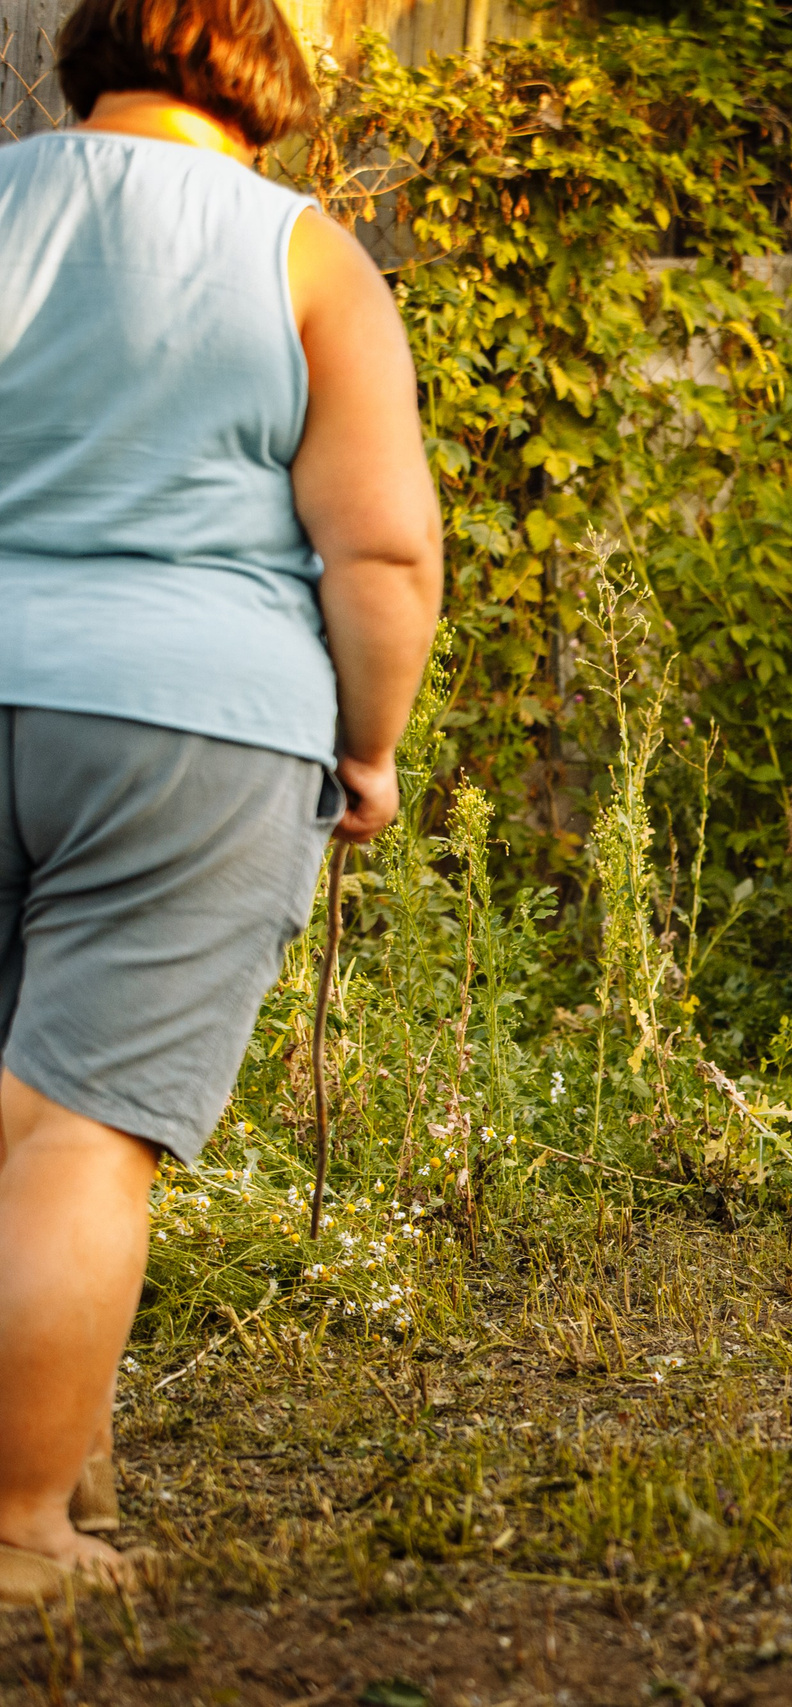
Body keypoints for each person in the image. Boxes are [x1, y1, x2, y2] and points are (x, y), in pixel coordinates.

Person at [0, 0, 441, 1596]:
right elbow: (381, 549)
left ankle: (43, 1439)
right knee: (73, 1135)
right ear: (269, 84)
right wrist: (369, 750)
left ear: (84, 55)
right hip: (192, 716)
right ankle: (19, 1533)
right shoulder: (305, 253)